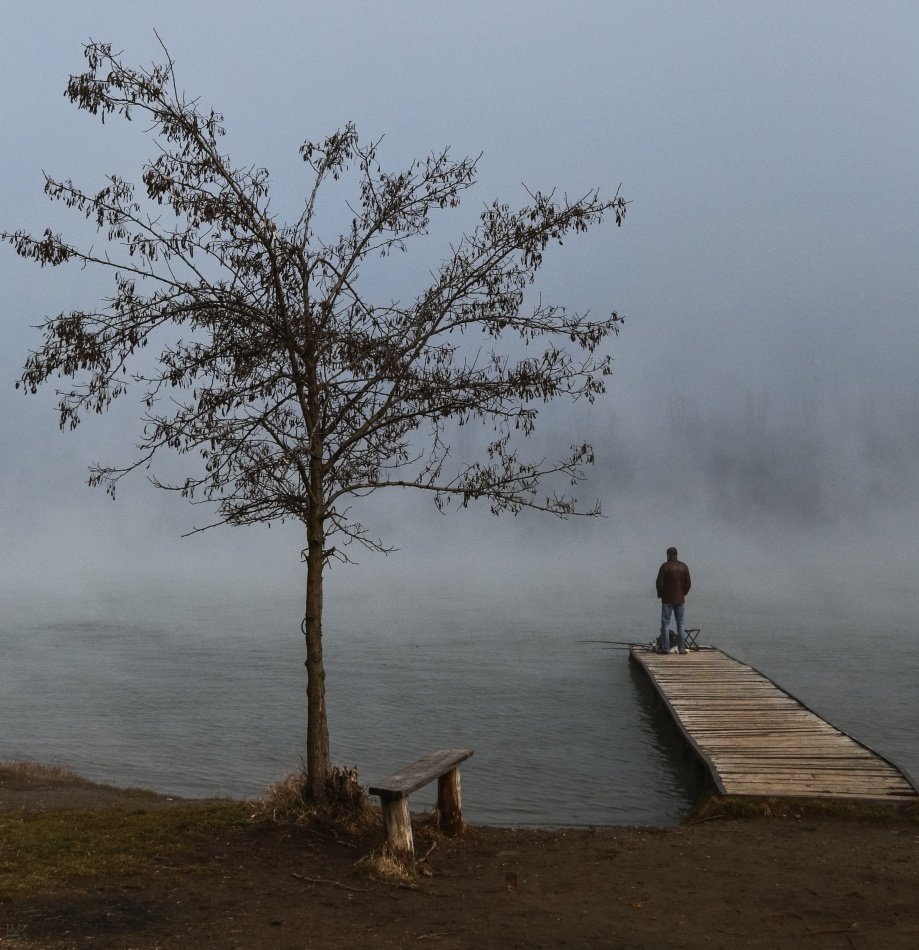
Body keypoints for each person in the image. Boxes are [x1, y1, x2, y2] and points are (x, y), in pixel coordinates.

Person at [656, 546, 691, 654]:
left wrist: (660, 594)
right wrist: (682, 593)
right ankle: (681, 648)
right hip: (680, 600)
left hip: (667, 600)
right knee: (680, 624)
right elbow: (688, 584)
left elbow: (659, 583)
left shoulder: (665, 566)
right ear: (676, 554)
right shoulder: (684, 566)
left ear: (668, 555)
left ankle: (665, 648)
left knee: (665, 624)